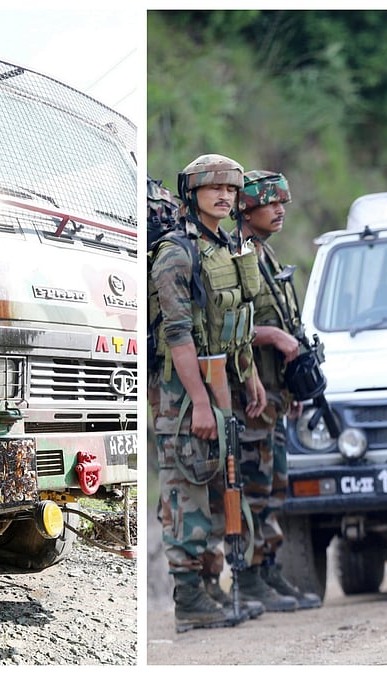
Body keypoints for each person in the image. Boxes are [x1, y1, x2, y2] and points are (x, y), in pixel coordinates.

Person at [149, 153, 268, 632]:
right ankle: (188, 597)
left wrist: (251, 375)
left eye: (232, 190)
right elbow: (179, 335)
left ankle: (210, 587)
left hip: (224, 382)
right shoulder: (179, 253)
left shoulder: (230, 246)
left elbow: (237, 325)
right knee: (187, 487)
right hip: (184, 392)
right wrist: (198, 401)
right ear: (191, 194)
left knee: (222, 485)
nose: (224, 196)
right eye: (213, 188)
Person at [205, 170, 322, 611]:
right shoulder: (235, 254)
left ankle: (268, 569)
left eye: (283, 203)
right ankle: (249, 576)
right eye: (271, 204)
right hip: (249, 394)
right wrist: (272, 337)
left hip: (275, 394)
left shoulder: (264, 254)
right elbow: (226, 328)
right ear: (245, 209)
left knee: (274, 488)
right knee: (251, 487)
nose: (280, 211)